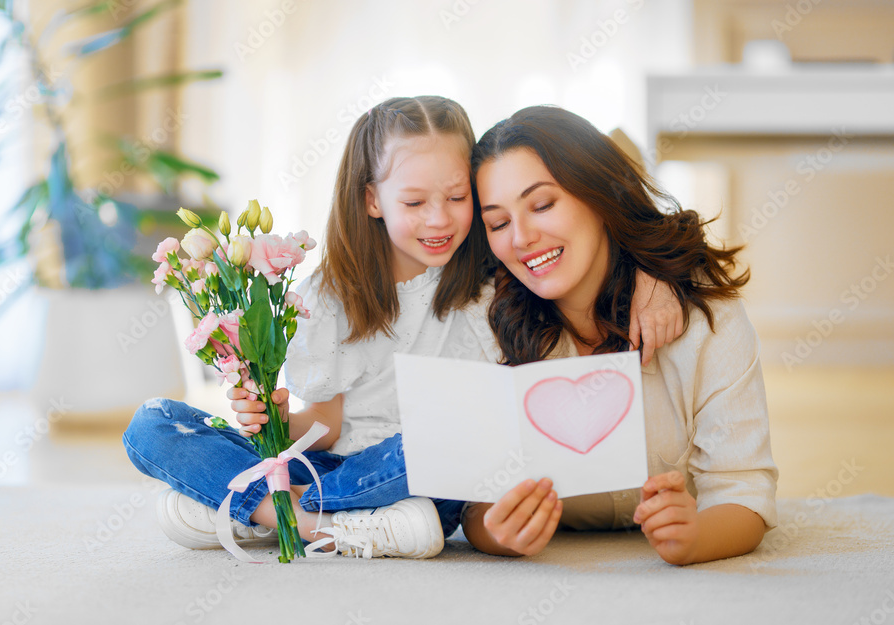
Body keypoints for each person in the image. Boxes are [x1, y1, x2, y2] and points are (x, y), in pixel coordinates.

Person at [124, 97, 681, 560]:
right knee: (154, 422)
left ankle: (253, 512)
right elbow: (324, 426)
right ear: (372, 199)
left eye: (458, 198)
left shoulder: (495, 273)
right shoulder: (328, 295)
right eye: (414, 201)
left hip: (425, 476)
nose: (439, 220)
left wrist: (654, 278)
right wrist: (271, 418)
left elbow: (609, 217)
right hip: (325, 468)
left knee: (448, 447)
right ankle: (312, 521)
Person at [461, 105, 778, 565]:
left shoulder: (708, 318)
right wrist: (495, 534)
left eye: (543, 204)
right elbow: (472, 504)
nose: (522, 238)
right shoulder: (481, 319)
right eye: (498, 223)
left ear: (599, 195)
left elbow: (744, 490)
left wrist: (698, 536)